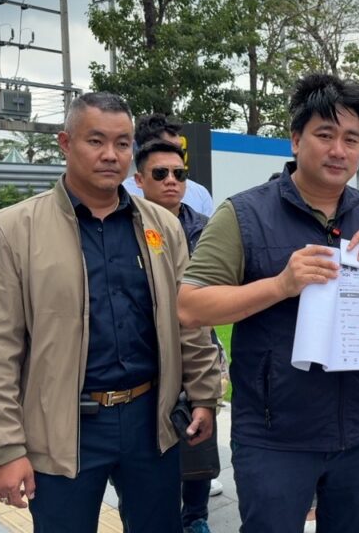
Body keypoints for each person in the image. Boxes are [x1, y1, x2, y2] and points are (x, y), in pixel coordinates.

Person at [176, 73, 359, 533]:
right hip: (275, 436)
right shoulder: (244, 214)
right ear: (296, 140)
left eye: (351, 139)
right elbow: (191, 306)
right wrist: (280, 285)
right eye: (325, 135)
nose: (339, 150)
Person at [0, 92, 221, 533]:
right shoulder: (12, 230)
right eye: (95, 141)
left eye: (122, 143)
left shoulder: (163, 226)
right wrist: (4, 448)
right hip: (63, 426)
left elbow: (188, 321)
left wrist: (204, 396)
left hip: (151, 421)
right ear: (65, 143)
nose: (110, 155)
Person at [132, 138, 229, 533]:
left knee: (198, 431)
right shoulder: (127, 226)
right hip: (147, 352)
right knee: (150, 447)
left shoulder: (206, 228)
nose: (171, 180)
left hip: (198, 341)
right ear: (140, 180)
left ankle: (196, 516)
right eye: (160, 173)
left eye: (179, 173)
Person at [123, 113, 216, 216]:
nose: (177, 153)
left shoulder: (200, 195)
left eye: (180, 148)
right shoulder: (121, 194)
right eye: (169, 148)